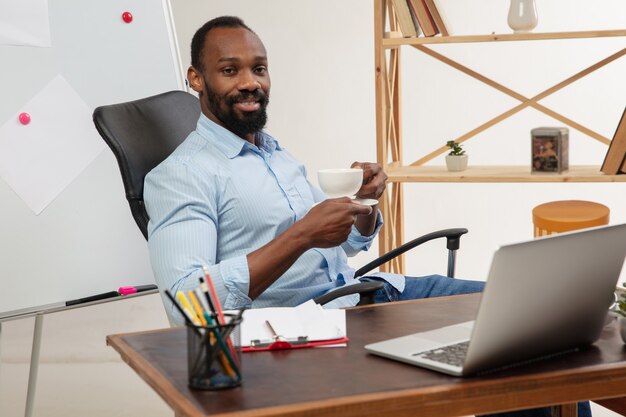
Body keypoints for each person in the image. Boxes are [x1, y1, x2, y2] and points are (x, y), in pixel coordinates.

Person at [143, 17, 589, 417]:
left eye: (258, 68)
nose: (250, 82)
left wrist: (360, 209)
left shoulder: (272, 151)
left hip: (370, 295)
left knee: (530, 321)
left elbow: (334, 245)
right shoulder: (182, 176)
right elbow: (189, 305)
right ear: (196, 79)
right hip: (311, 329)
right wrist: (301, 235)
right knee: (516, 341)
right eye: (230, 70)